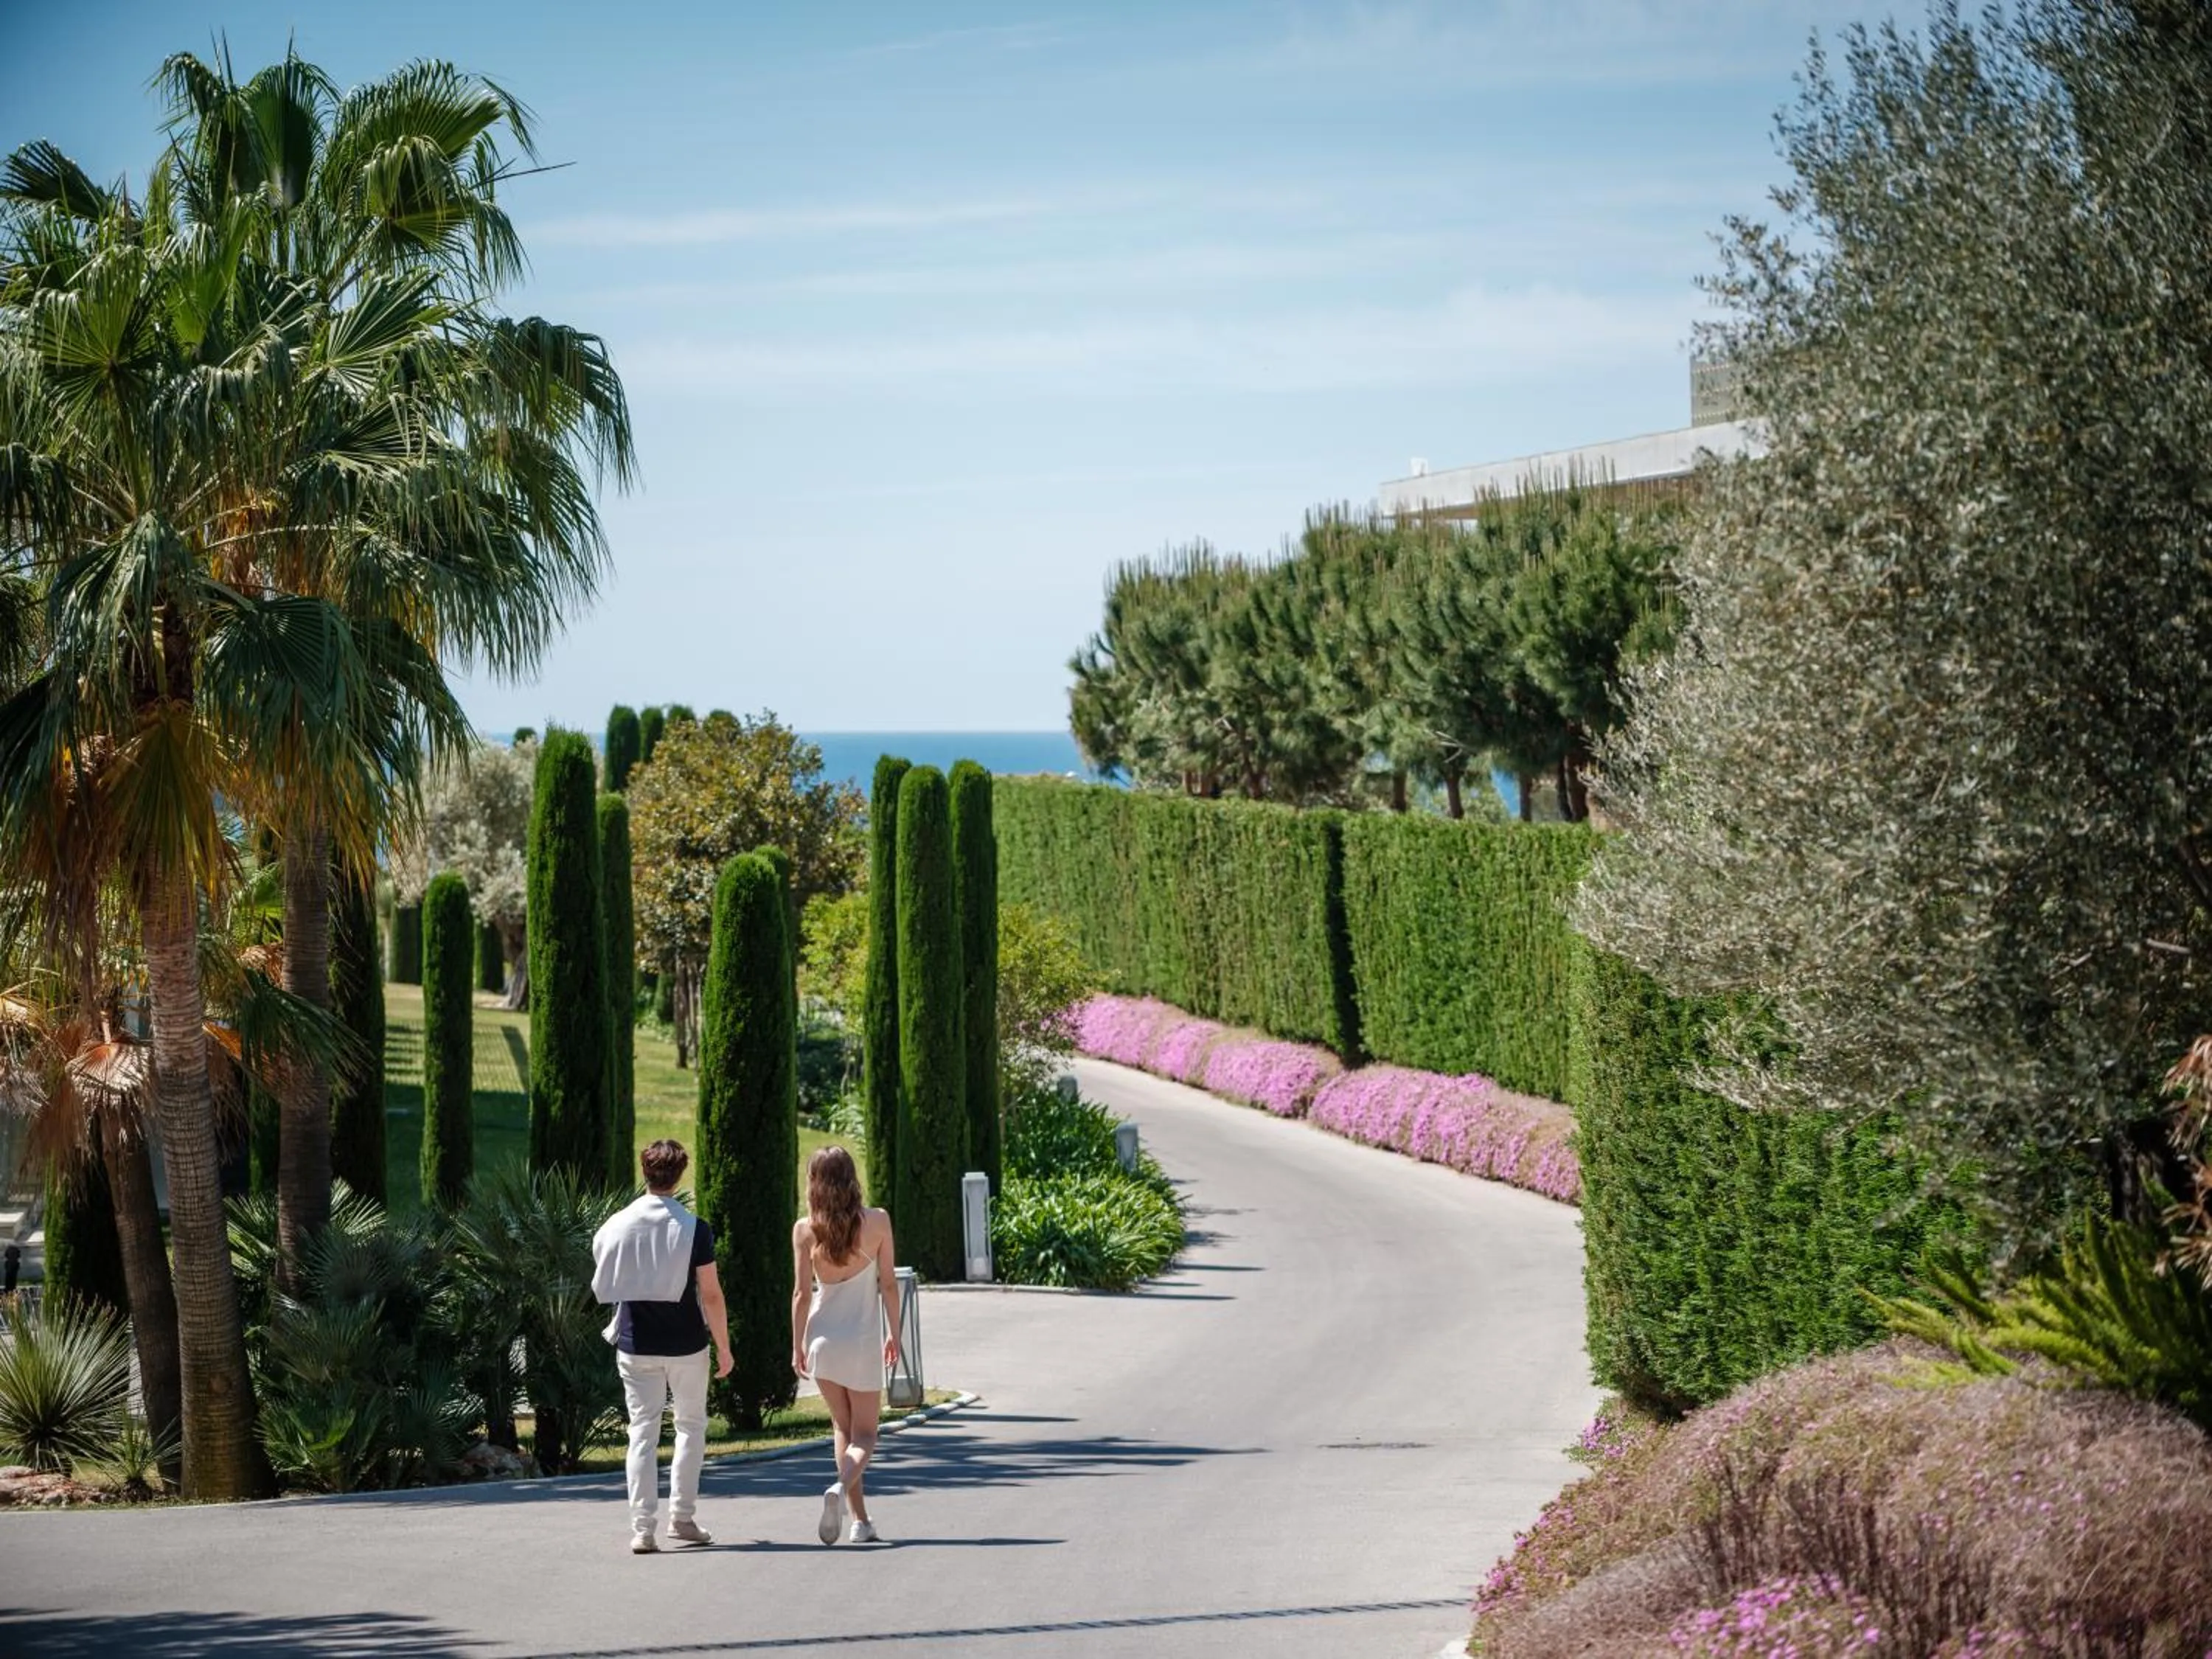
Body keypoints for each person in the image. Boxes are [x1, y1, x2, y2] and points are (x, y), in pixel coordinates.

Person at [591, 1139, 732, 1554]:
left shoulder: (618, 1223)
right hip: (687, 1343)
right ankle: (683, 1518)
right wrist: (724, 1347)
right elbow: (711, 1295)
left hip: (635, 1344)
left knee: (642, 1433)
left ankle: (642, 1529)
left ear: (645, 1172)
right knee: (690, 1428)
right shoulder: (694, 1228)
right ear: (680, 1174)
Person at [790, 1144, 900, 1545]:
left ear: (814, 1183)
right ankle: (839, 1489)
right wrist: (896, 1333)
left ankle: (861, 1522)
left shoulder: (804, 1230)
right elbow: (888, 1284)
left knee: (843, 1426)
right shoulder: (878, 1222)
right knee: (867, 1435)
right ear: (851, 1179)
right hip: (861, 1341)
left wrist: (797, 1346)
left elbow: (801, 1295)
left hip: (821, 1339)